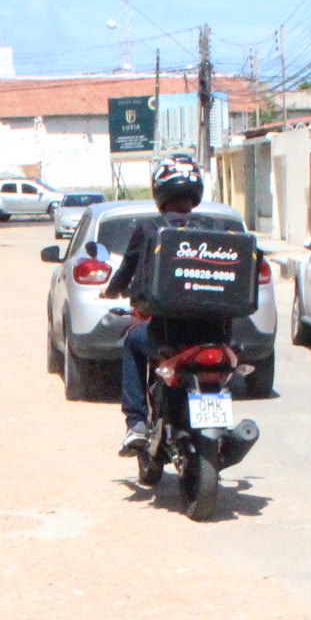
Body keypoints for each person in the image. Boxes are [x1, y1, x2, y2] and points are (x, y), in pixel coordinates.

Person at [108, 154, 220, 457]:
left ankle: (136, 423)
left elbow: (128, 268)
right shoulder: (214, 227)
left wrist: (112, 290)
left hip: (167, 335)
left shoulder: (149, 228)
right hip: (215, 335)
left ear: (160, 190)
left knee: (132, 341)